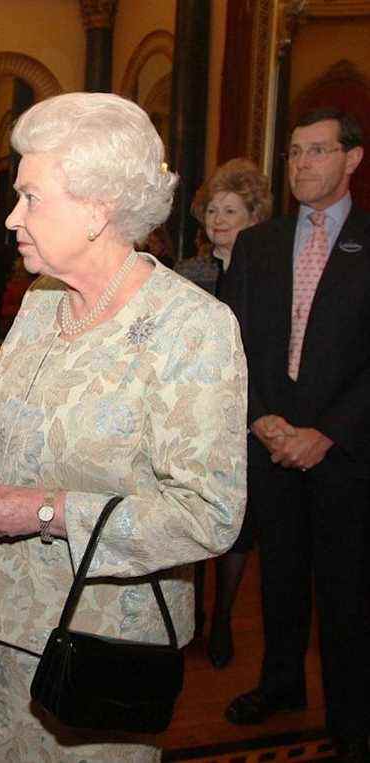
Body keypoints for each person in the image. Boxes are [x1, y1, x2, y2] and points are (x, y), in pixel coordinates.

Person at [0, 92, 247, 762]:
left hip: (102, 650)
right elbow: (10, 420)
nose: (10, 216)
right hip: (5, 630)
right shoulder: (39, 300)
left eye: (30, 196)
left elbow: (210, 513)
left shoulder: (192, 329)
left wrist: (50, 510)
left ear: (96, 208)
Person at [220, 108, 370, 762]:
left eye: (317, 150)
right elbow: (231, 345)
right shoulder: (258, 244)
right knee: (278, 579)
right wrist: (260, 418)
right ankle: (280, 685)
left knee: (346, 588)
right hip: (270, 441)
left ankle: (351, 715)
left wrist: (327, 433)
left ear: (352, 159)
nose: (302, 164)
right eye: (293, 153)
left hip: (346, 450)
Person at [181, 158, 273, 669]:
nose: (218, 219)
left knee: (240, 522)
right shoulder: (189, 271)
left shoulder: (269, 272)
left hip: (251, 412)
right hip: (196, 411)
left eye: (230, 210)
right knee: (191, 509)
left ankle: (222, 620)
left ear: (253, 215)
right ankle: (190, 613)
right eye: (213, 209)